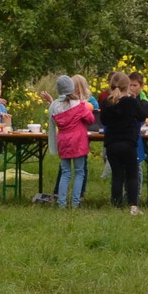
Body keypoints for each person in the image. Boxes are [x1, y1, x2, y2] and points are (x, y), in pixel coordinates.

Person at [97, 71, 148, 212]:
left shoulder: (106, 102)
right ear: (127, 86)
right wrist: (133, 99)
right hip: (128, 142)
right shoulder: (130, 102)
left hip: (112, 143)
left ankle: (116, 205)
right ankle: (133, 206)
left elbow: (102, 120)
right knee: (132, 175)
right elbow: (142, 116)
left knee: (117, 176)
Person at [49, 74, 95, 207]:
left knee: (65, 172)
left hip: (63, 140)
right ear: (73, 89)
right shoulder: (80, 105)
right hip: (78, 141)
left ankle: (61, 203)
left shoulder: (55, 107)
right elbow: (91, 119)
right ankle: (75, 202)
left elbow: (54, 120)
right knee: (79, 172)